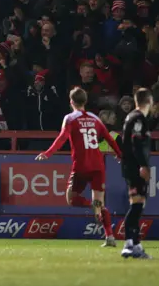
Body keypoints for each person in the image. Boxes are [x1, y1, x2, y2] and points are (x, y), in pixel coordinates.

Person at [35, 87, 121, 247]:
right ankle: (109, 237)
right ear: (85, 101)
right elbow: (109, 138)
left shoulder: (70, 118)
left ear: (71, 102)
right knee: (100, 202)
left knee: (71, 198)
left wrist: (48, 153)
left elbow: (62, 138)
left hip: (81, 165)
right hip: (98, 165)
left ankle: (93, 206)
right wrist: (119, 154)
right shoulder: (95, 118)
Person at [120, 88, 153, 259]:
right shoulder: (139, 118)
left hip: (130, 166)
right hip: (135, 168)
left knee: (137, 204)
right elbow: (136, 143)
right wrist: (143, 165)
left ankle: (135, 244)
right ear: (149, 101)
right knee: (137, 204)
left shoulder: (130, 117)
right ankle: (128, 244)